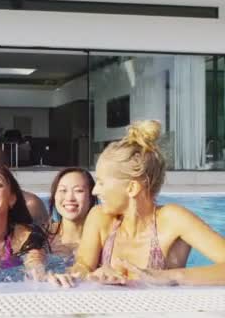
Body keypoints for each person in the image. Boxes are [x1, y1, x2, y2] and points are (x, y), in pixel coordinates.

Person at [49, 120, 225, 288]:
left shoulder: (172, 219)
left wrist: (170, 276)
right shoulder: (99, 217)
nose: (95, 191)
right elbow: (83, 265)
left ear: (132, 188)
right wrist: (82, 275)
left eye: (102, 183)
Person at [47, 167, 97, 258]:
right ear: (54, 196)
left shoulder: (102, 238)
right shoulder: (42, 237)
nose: (70, 198)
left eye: (78, 191)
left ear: (91, 197)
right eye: (63, 190)